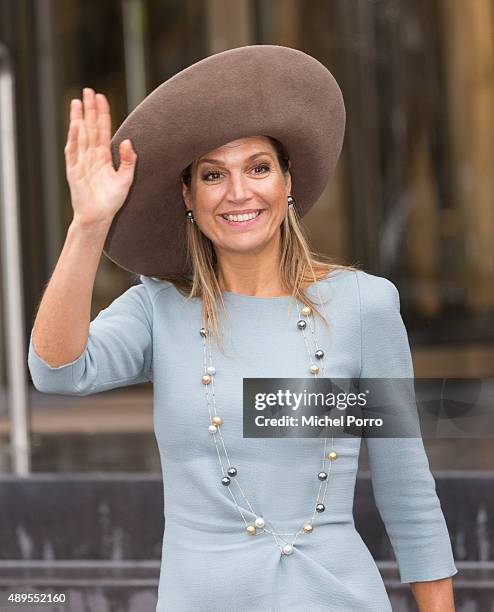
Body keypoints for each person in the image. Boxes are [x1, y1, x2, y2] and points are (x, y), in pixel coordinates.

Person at [27, 45, 457, 611]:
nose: (238, 192)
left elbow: (407, 491)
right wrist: (88, 226)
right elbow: (56, 371)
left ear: (287, 181)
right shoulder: (159, 308)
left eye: (258, 167)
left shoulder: (362, 305)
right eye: (212, 174)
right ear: (188, 195)